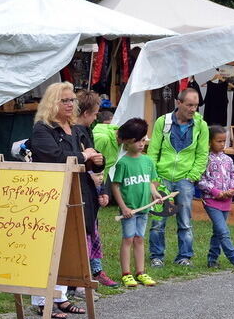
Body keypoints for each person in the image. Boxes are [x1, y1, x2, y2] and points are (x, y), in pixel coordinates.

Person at [27, 82, 102, 318]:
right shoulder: (42, 129)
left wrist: (99, 160)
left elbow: (91, 156)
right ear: (52, 103)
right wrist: (84, 155)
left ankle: (60, 296)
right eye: (65, 100)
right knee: (49, 246)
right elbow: (55, 157)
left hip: (81, 193)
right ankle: (41, 300)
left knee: (70, 245)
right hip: (53, 193)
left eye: (72, 100)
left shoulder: (78, 129)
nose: (71, 104)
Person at [147, 88, 209, 267]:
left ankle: (185, 256)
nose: (193, 109)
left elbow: (202, 154)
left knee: (185, 220)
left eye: (196, 106)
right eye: (189, 105)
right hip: (162, 176)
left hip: (185, 179)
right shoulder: (163, 122)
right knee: (158, 220)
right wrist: (154, 177)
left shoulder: (201, 125)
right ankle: (156, 256)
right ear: (179, 103)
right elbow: (153, 151)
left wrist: (192, 177)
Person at [109, 119, 162, 287]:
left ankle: (141, 272)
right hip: (129, 210)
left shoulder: (148, 162)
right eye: (138, 140)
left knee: (139, 239)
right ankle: (126, 273)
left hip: (143, 209)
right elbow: (115, 186)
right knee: (128, 239)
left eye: (144, 139)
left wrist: (155, 194)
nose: (142, 143)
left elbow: (150, 183)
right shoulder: (123, 163)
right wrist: (123, 207)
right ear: (129, 142)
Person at [76, 90, 117, 289]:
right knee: (83, 237)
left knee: (93, 233)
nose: (95, 118)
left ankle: (95, 272)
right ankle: (80, 280)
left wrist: (98, 163)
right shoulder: (75, 131)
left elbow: (95, 163)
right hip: (81, 192)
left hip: (92, 189)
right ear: (85, 113)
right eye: (94, 114)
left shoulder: (87, 131)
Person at [198, 126, 234, 271]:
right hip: (211, 201)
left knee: (217, 231)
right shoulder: (204, 159)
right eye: (218, 141)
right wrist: (215, 191)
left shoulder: (228, 159)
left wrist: (232, 190)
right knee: (223, 231)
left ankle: (212, 259)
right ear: (209, 142)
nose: (222, 144)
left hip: (226, 202)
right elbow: (200, 180)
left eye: (224, 141)